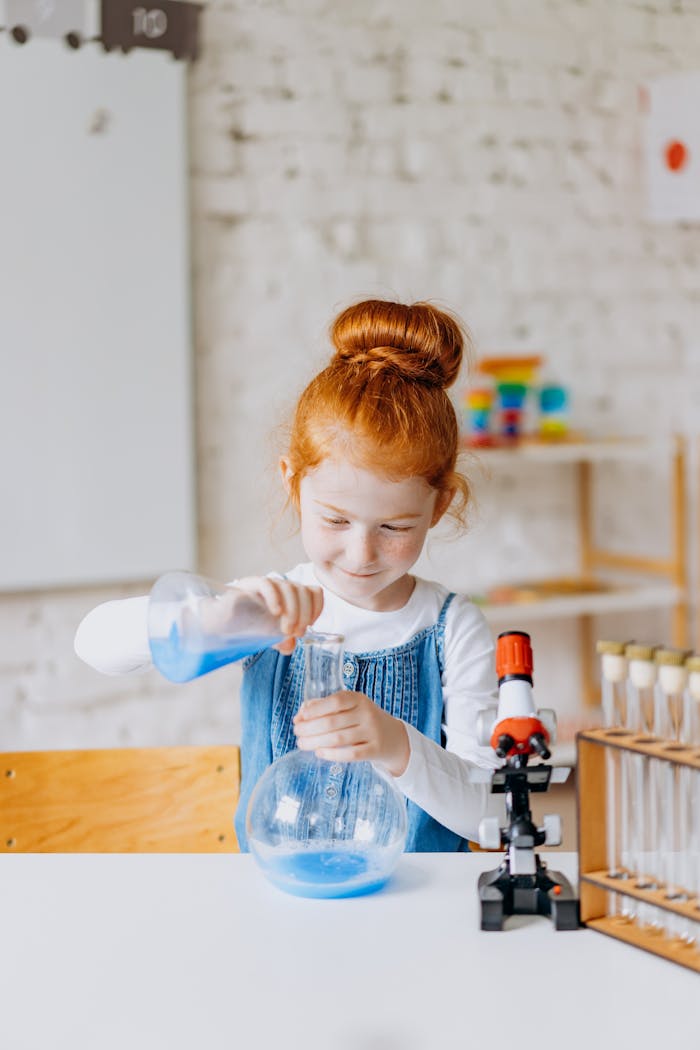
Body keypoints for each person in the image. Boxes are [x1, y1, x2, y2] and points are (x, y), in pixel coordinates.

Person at [75, 298, 501, 852]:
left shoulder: (454, 629)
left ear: (439, 507)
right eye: (335, 520)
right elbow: (93, 646)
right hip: (277, 903)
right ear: (293, 485)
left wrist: (397, 745)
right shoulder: (263, 610)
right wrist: (212, 614)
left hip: (418, 904)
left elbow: (491, 816)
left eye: (394, 527)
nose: (360, 552)